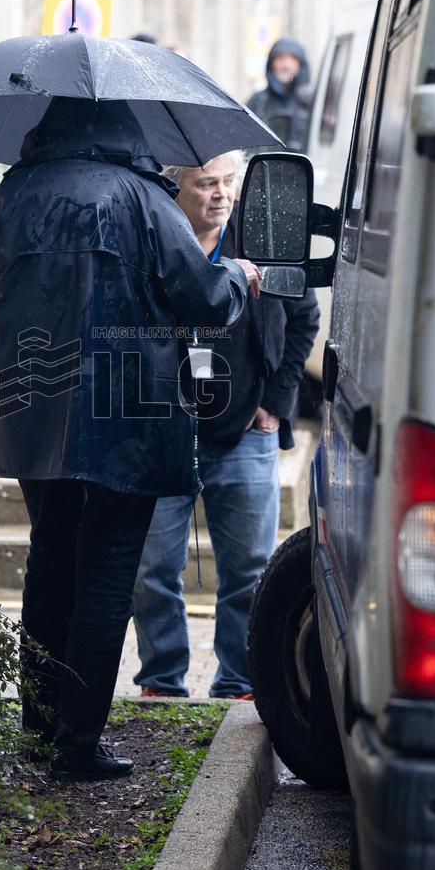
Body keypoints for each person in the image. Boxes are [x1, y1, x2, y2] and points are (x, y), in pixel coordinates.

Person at [0, 99, 262, 780]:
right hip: (129, 411)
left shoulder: (12, 193)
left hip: (33, 404)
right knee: (107, 571)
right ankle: (77, 743)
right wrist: (238, 278)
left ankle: (39, 728)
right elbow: (204, 299)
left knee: (50, 558)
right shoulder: (145, 198)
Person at [133, 151, 320, 699]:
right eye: (206, 184)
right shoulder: (151, 239)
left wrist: (277, 401)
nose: (221, 194)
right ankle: (162, 681)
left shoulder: (262, 238)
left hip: (246, 431)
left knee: (249, 569)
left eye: (229, 182)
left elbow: (304, 317)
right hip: (164, 431)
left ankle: (239, 681)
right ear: (176, 188)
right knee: (151, 568)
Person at [247, 38, 312, 151]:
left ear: (300, 65)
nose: (285, 65)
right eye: (280, 59)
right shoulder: (258, 101)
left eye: (292, 59)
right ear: (272, 64)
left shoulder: (311, 101)